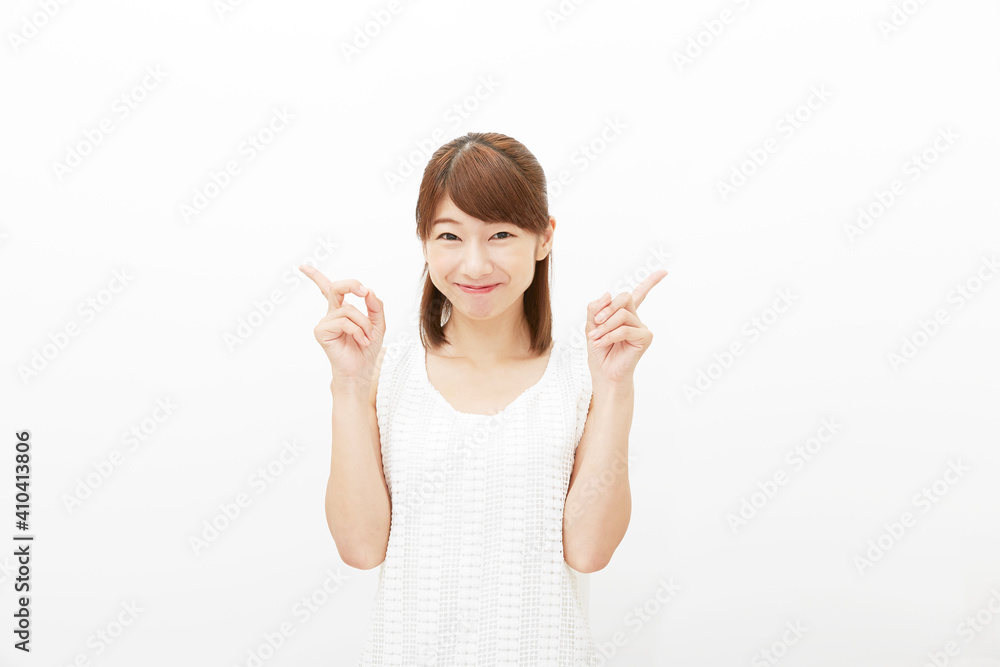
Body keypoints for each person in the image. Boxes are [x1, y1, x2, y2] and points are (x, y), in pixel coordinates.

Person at [301, 132, 665, 666]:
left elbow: (589, 551)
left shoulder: (582, 380)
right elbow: (360, 549)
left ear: (544, 238)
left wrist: (615, 388)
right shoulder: (387, 375)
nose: (474, 265)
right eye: (450, 235)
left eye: (500, 235)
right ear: (424, 241)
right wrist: (349, 386)